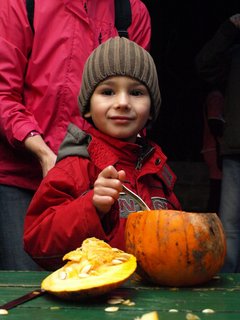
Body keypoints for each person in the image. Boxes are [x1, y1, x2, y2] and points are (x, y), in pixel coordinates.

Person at [0, 0, 151, 270]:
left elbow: (136, 92)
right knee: (28, 286)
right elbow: (3, 94)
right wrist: (45, 155)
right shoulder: (19, 4)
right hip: (23, 176)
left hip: (99, 180)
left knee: (103, 278)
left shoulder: (129, 11)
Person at [23, 37, 181, 271]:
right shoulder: (74, 168)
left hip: (157, 297)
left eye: (136, 93)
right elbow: (37, 241)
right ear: (87, 107)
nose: (123, 102)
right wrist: (92, 207)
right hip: (95, 300)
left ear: (151, 110)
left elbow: (183, 240)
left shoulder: (158, 172)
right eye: (108, 92)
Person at [196, 14, 240, 272]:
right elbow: (204, 64)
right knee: (231, 225)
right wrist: (230, 27)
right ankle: (229, 286)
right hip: (237, 149)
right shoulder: (235, 53)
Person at [201, 89, 224, 213]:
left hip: (214, 148)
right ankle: (212, 225)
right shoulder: (216, 96)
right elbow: (214, 123)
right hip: (216, 149)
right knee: (217, 191)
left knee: (217, 191)